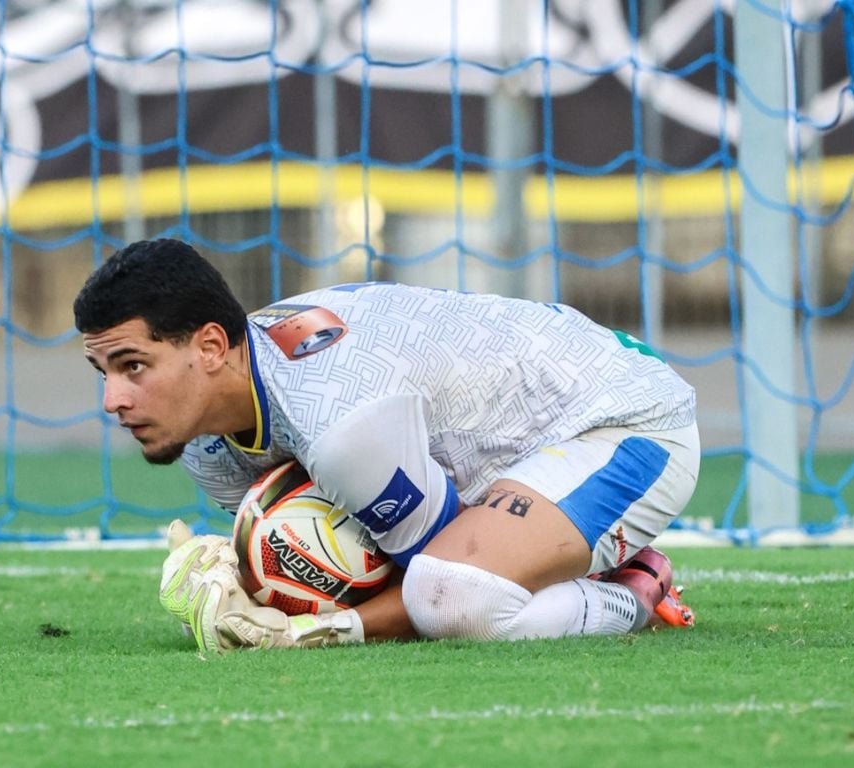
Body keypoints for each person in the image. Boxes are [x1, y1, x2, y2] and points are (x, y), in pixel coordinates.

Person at [74, 238, 700, 653]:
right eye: (105, 373)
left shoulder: (338, 421)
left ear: (210, 347)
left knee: (454, 596)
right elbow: (322, 546)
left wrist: (302, 633)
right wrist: (236, 573)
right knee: (442, 576)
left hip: (624, 420)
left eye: (134, 366)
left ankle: (633, 587)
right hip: (507, 449)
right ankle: (559, 550)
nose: (114, 401)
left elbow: (425, 581)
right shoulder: (207, 446)